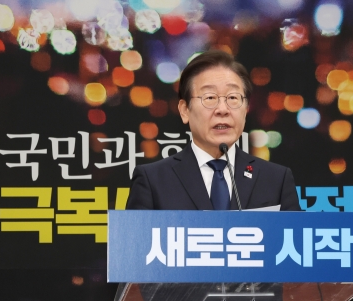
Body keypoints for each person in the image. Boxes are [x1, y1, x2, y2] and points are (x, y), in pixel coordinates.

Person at [126, 50, 300, 210]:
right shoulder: (152, 180)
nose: (222, 109)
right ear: (185, 110)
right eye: (210, 98)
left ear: (246, 109)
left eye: (233, 98)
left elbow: (294, 242)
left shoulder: (276, 180)